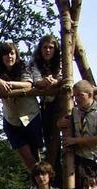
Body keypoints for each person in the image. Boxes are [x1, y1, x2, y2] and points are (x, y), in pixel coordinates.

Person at [0, 41, 42, 171]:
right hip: (11, 119)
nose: (9, 56)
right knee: (26, 156)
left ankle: (41, 180)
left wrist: (8, 85)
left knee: (35, 153)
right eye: (5, 54)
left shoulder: (24, 67)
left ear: (16, 55)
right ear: (1, 57)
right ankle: (36, 179)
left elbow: (28, 84)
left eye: (11, 53)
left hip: (29, 116)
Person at [59, 79, 97, 189]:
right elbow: (62, 123)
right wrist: (60, 123)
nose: (77, 99)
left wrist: (76, 141)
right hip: (81, 163)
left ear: (90, 95)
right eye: (75, 96)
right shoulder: (75, 112)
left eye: (80, 95)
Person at [30, 34, 62, 165]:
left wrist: (54, 82)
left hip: (60, 103)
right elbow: (36, 80)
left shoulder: (60, 61)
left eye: (51, 47)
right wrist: (44, 82)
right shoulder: (35, 62)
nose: (48, 50)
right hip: (45, 104)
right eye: (45, 47)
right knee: (46, 139)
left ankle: (57, 173)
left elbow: (64, 77)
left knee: (57, 140)